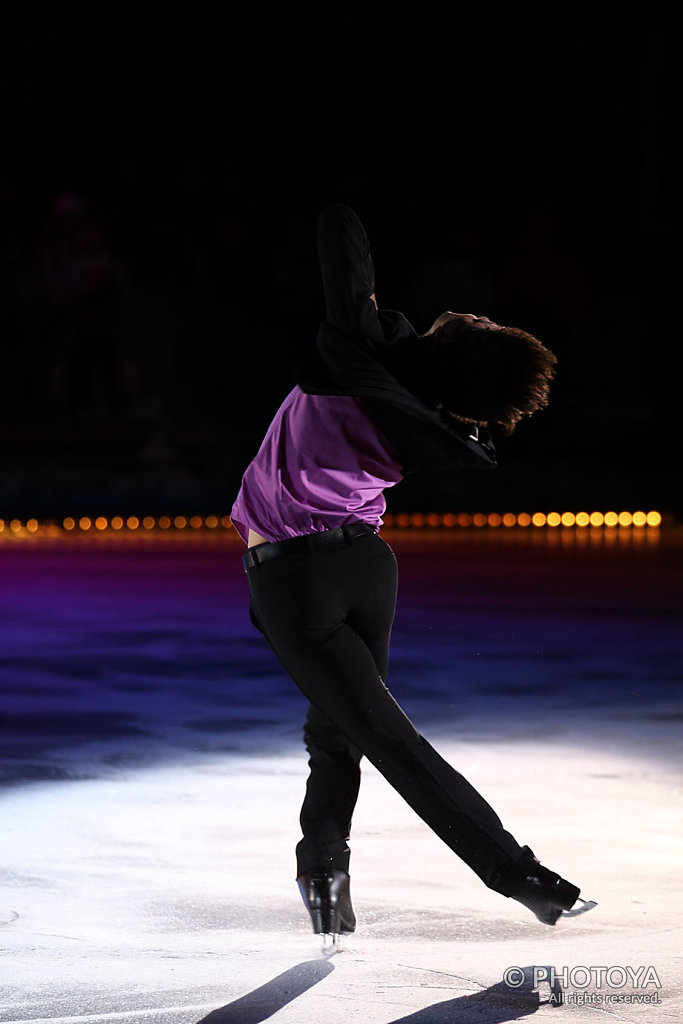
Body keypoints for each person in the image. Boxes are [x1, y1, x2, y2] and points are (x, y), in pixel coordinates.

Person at [230, 203, 595, 946]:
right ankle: (322, 871)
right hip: (366, 569)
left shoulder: (347, 358)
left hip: (295, 587)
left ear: (458, 346)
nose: (479, 314)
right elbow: (420, 378)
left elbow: (341, 246)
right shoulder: (432, 421)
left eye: (484, 325)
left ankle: (514, 872)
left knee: (384, 738)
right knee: (341, 733)